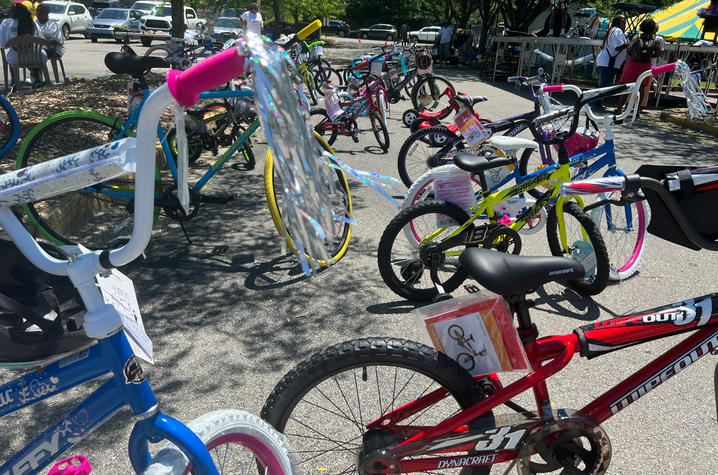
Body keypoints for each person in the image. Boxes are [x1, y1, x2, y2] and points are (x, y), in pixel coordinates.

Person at [616, 18, 661, 117]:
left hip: (632, 64)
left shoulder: (637, 37)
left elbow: (629, 49)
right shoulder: (656, 40)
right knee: (641, 88)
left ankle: (619, 109)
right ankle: (637, 111)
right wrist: (649, 56)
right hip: (645, 66)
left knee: (626, 87)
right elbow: (658, 53)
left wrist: (633, 55)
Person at [0, 3, 43, 88]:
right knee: (31, 55)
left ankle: (14, 80)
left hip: (16, 59)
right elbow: (41, 40)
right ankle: (37, 78)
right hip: (37, 58)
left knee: (12, 57)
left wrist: (12, 45)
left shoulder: (7, 22)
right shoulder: (33, 23)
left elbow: (2, 44)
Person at [594, 15, 628, 110]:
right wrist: (629, 44)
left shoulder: (613, 30)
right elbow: (618, 46)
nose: (625, 23)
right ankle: (596, 103)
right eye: (623, 21)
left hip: (608, 61)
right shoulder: (617, 30)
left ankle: (598, 103)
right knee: (605, 85)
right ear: (619, 21)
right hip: (609, 62)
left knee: (605, 84)